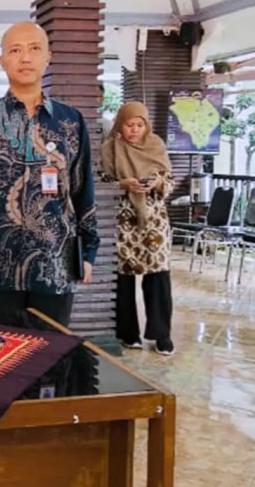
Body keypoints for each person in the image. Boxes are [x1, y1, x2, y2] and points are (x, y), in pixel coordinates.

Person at [0, 22, 99, 328]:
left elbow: (83, 192)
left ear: (48, 57)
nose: (25, 58)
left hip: (56, 264)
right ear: (2, 61)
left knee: (52, 351)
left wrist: (88, 252)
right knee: (1, 353)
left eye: (34, 49)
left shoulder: (71, 122)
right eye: (15, 50)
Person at [102, 102, 175, 355]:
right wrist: (122, 184)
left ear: (147, 126)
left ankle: (162, 335)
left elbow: (169, 181)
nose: (134, 130)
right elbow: (100, 183)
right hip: (123, 221)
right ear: (120, 125)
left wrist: (157, 183)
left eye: (140, 125)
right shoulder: (110, 148)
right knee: (123, 278)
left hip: (154, 221)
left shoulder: (156, 145)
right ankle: (127, 333)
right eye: (129, 124)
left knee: (158, 276)